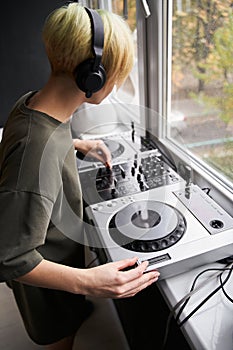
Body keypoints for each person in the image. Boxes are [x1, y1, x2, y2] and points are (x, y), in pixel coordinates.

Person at [0, 3, 160, 350]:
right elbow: (9, 257)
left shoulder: (32, 105)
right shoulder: (35, 151)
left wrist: (76, 143)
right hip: (49, 288)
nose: (117, 82)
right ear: (93, 76)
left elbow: (40, 137)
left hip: (62, 261)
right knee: (63, 338)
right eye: (117, 73)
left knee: (73, 310)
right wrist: (89, 282)